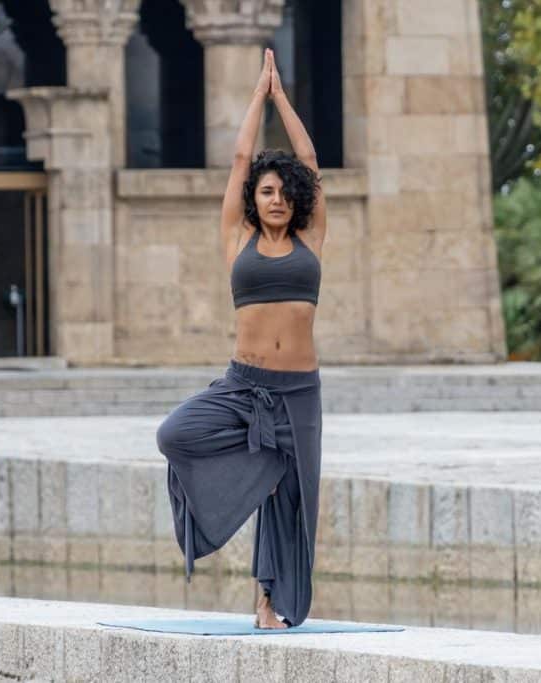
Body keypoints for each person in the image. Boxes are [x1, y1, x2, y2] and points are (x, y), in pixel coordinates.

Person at [155, 48, 326, 630]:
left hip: (299, 393)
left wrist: (284, 99)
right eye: (266, 192)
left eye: (284, 193)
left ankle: (268, 604)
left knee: (295, 506)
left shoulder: (311, 238)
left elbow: (308, 156)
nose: (276, 200)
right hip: (244, 385)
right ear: (253, 200)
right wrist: (256, 97)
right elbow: (236, 161)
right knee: (174, 433)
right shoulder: (238, 242)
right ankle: (248, 482)